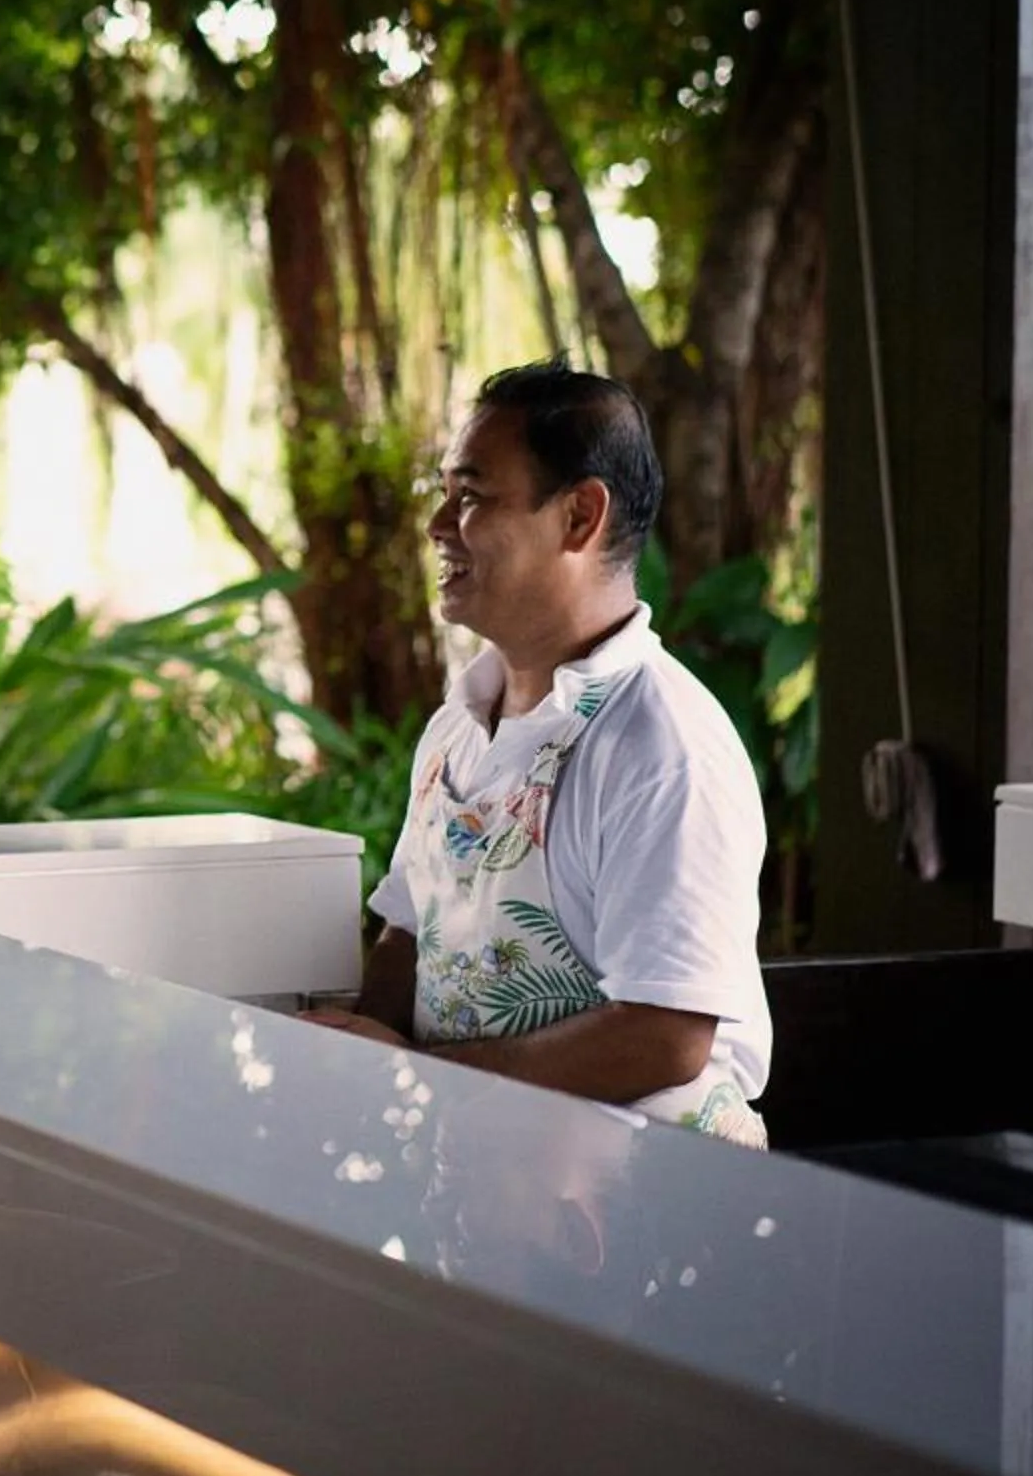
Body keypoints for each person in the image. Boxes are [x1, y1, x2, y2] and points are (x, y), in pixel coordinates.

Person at [301, 360, 772, 1146]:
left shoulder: (661, 743)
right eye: (444, 493)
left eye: (474, 497)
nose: (439, 526)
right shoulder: (457, 723)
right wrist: (365, 1075)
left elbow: (666, 1035)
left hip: (652, 1212)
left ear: (581, 516)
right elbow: (407, 934)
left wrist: (419, 1075)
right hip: (486, 1175)